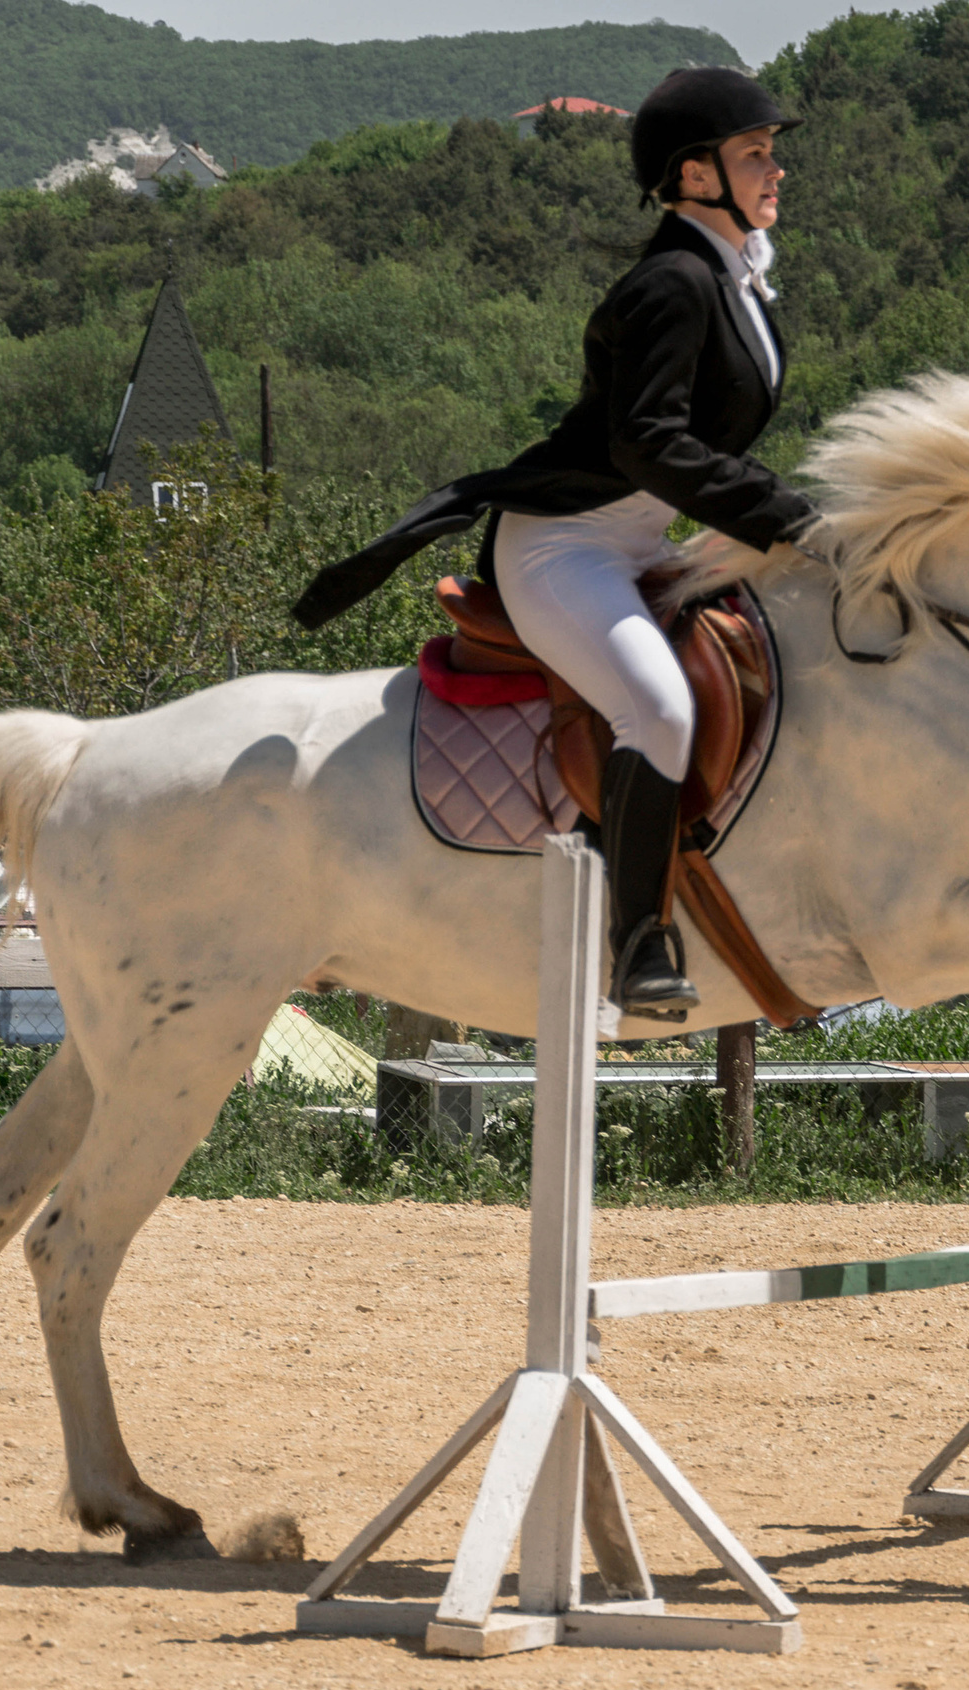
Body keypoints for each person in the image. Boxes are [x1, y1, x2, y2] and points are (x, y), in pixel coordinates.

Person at [292, 68, 819, 1022]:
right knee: (657, 710)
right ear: (696, 177)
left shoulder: (729, 274)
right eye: (755, 154)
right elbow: (647, 443)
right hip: (563, 549)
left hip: (640, 536)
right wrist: (783, 515)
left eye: (770, 150)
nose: (776, 167)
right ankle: (639, 946)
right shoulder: (671, 283)